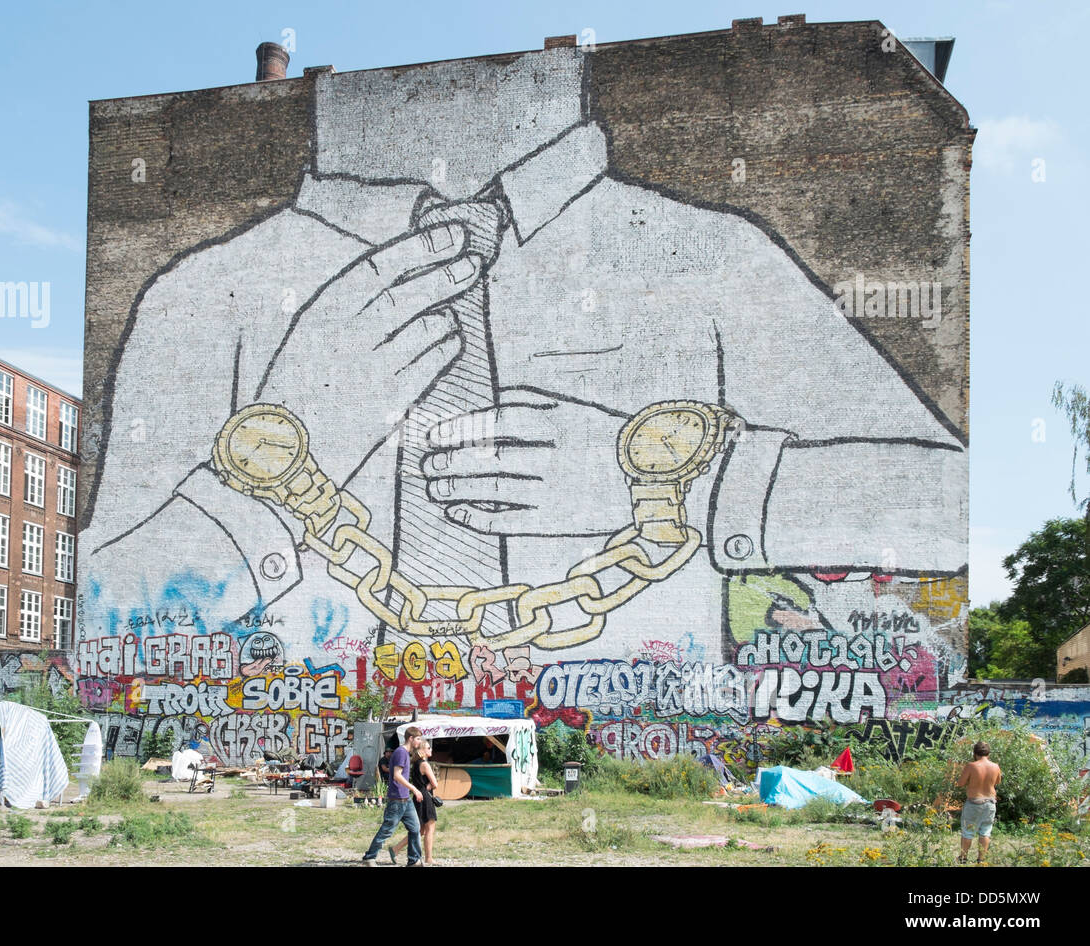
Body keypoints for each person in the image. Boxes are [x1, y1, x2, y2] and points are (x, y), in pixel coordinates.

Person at [81, 47, 967, 681]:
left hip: (614, 706)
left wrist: (691, 486)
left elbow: (942, 502)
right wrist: (285, 463)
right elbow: (109, 616)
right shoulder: (205, 295)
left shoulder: (715, 259)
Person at [362, 727, 425, 866]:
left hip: (405, 799)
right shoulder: (401, 753)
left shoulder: (405, 753)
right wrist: (414, 789)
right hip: (397, 800)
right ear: (410, 738)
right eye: (418, 739)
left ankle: (414, 860)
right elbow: (397, 776)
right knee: (387, 830)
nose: (420, 742)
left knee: (415, 828)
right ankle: (369, 857)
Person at [391, 739, 440, 865]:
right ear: (422, 750)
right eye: (428, 748)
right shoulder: (424, 764)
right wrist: (427, 787)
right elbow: (435, 783)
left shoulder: (415, 764)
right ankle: (429, 858)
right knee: (429, 828)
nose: (431, 750)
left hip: (417, 797)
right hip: (425, 798)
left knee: (419, 830)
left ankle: (396, 849)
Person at [957, 740, 1002, 865]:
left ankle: (963, 858)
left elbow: (960, 783)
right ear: (988, 753)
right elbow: (997, 782)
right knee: (985, 831)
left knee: (968, 832)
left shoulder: (971, 766)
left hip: (974, 802)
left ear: (975, 753)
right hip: (990, 803)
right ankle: (981, 860)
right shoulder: (995, 766)